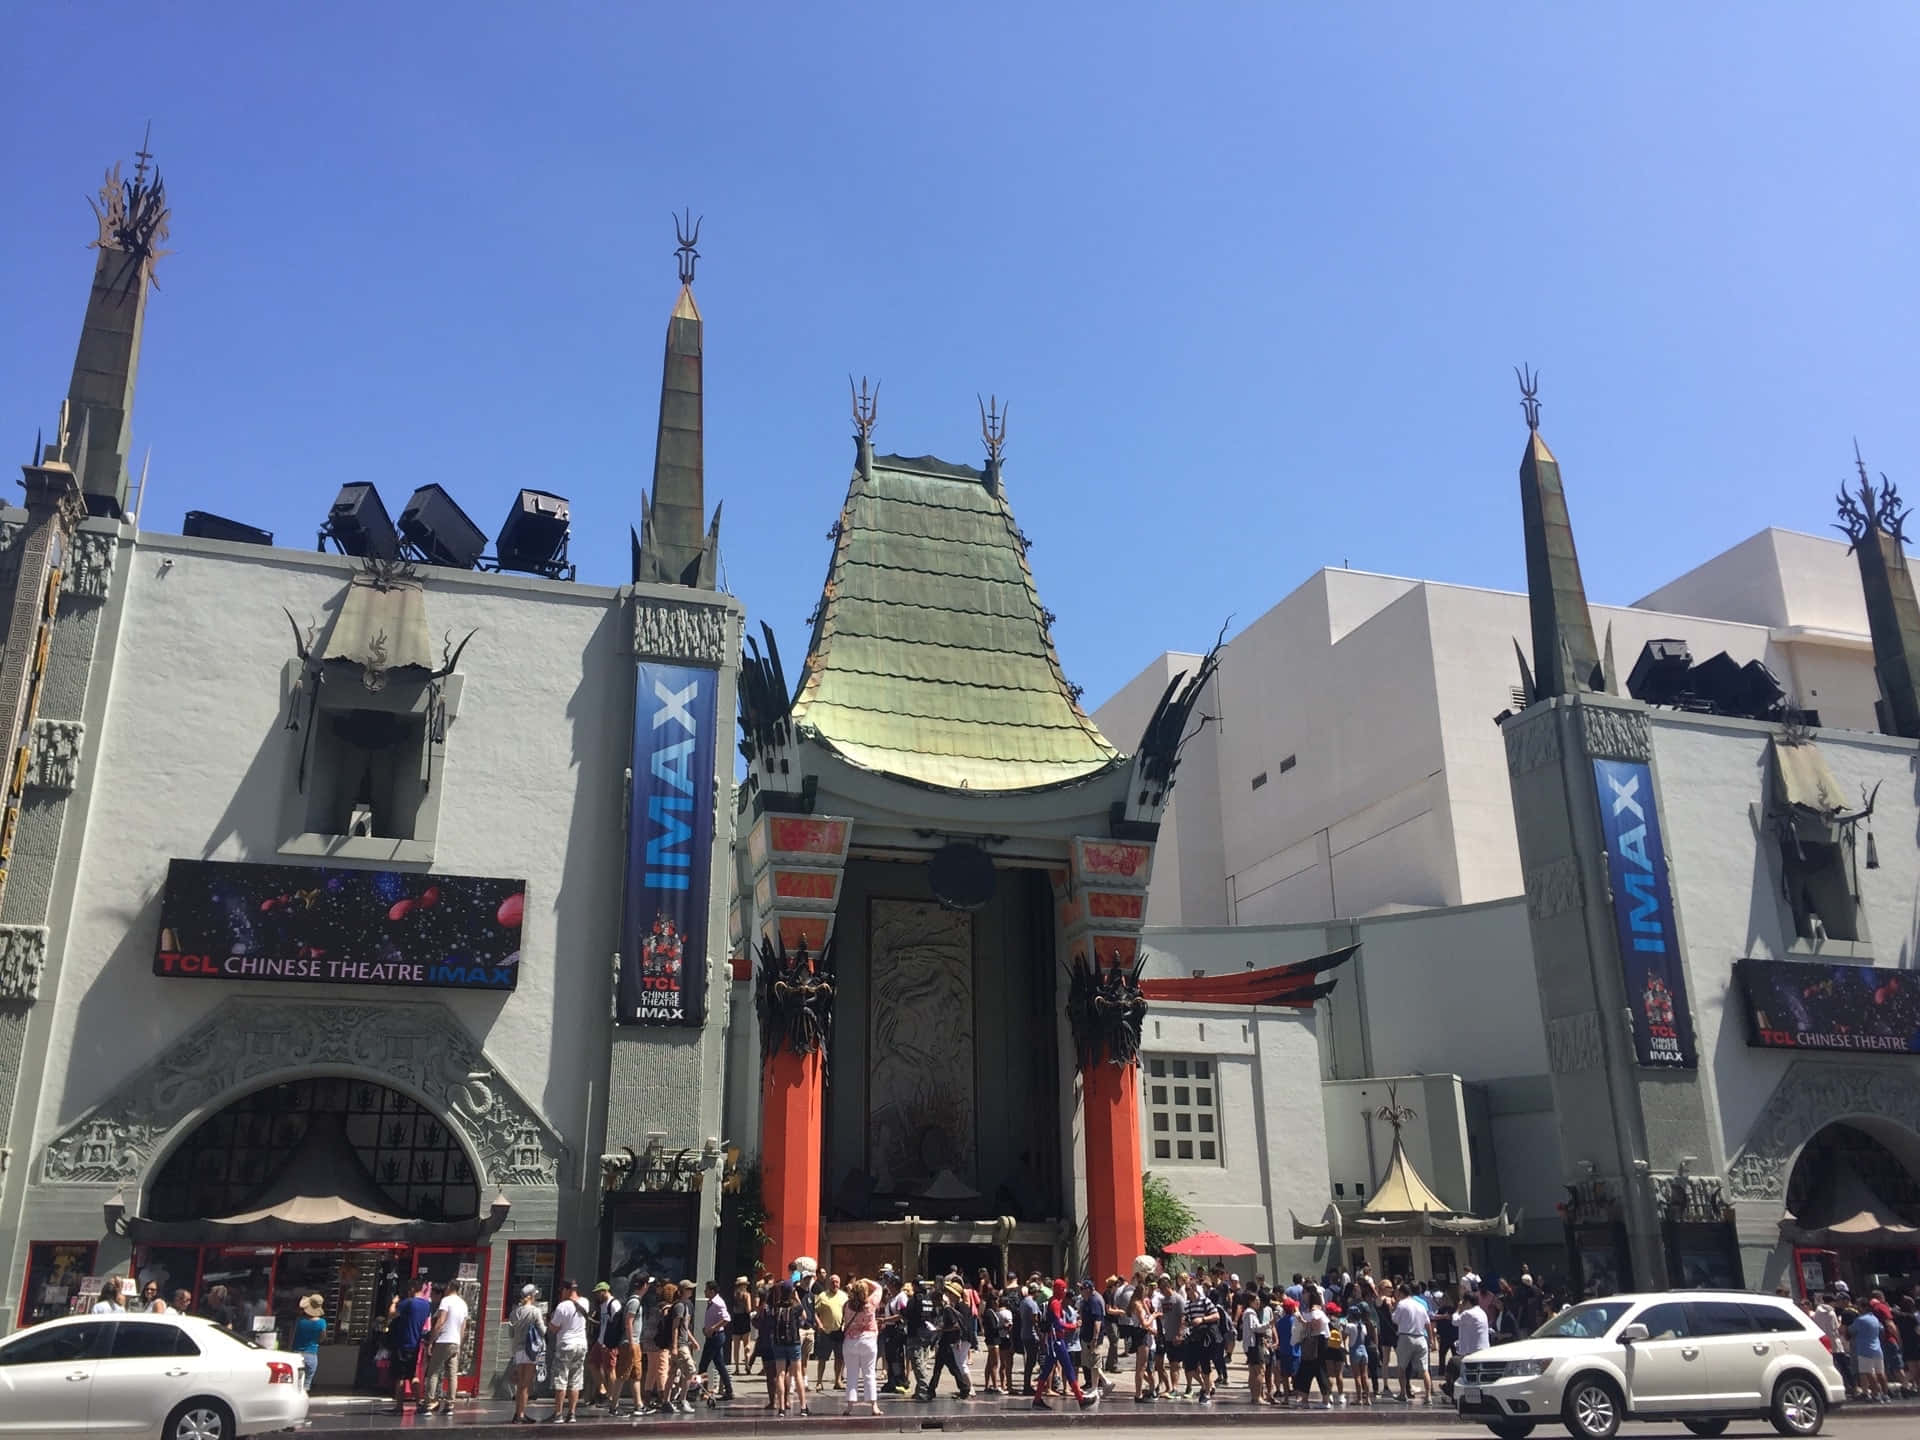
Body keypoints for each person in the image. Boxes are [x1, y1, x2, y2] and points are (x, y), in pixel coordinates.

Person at [1032, 1278, 1099, 1410]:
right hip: (1057, 1340)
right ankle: (1080, 1399)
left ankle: (1038, 1399)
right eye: (1063, 1289)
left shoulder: (1053, 1301)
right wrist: (1073, 1326)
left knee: (1047, 1370)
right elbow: (1058, 1324)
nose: (1064, 1292)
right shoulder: (1056, 1303)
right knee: (1068, 1368)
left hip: (1054, 1339)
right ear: (1059, 1290)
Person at [387, 1276, 433, 1414]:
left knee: (400, 1376)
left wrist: (394, 1302)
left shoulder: (408, 1303)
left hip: (403, 1343)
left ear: (413, 1289)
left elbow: (391, 1314)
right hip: (415, 1343)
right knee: (412, 1374)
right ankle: (419, 1403)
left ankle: (399, 1406)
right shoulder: (426, 1305)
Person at [546, 1278, 590, 1423]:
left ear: (566, 1290)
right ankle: (572, 1414)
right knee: (575, 1380)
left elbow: (554, 1328)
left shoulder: (562, 1306)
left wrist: (548, 1320)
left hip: (566, 1344)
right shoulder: (585, 1302)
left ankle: (558, 1414)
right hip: (581, 1344)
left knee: (561, 1379)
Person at [424, 1280, 469, 1414]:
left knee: (433, 1372)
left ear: (449, 1287)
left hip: (444, 1339)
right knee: (452, 1374)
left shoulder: (446, 1301)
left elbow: (440, 1321)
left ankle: (430, 1402)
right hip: (455, 1341)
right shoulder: (463, 1304)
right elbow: (463, 1327)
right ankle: (450, 1404)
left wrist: (431, 1341)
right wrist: (459, 1344)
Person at [841, 1277, 883, 1417]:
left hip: (850, 1341)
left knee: (852, 1374)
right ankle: (874, 1406)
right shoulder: (871, 1303)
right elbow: (879, 1288)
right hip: (868, 1340)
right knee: (869, 1373)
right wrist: (866, 1280)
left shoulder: (847, 1305)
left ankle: (850, 1406)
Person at [1391, 1282, 1434, 1405]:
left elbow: (1395, 1319)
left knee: (1401, 1367)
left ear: (1401, 1293)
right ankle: (1428, 1395)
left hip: (1406, 1337)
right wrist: (1431, 1339)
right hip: (1421, 1337)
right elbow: (1427, 1323)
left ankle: (1403, 1393)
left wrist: (1393, 1309)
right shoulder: (1420, 1305)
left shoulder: (1402, 1304)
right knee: (1424, 1369)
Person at [509, 1284, 545, 1426]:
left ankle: (518, 1412)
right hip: (531, 1350)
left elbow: (510, 1334)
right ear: (531, 1296)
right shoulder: (535, 1311)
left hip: (518, 1350)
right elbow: (542, 1331)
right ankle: (520, 1415)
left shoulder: (514, 1312)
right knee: (525, 1384)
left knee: (520, 1385)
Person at [698, 1280, 736, 1404]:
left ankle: (701, 1390)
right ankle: (729, 1390)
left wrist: (713, 1328)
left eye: (706, 1290)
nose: (704, 1292)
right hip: (712, 1335)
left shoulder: (718, 1303)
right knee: (719, 1364)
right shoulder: (711, 1303)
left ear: (712, 1291)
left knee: (703, 1364)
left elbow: (726, 1318)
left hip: (716, 1336)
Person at [813, 1273, 848, 1391]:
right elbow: (814, 1312)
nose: (835, 1284)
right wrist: (820, 1325)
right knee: (822, 1358)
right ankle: (819, 1382)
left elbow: (848, 1312)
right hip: (826, 1332)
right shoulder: (822, 1296)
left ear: (840, 1283)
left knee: (840, 1358)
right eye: (832, 1282)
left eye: (837, 1282)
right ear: (829, 1283)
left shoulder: (844, 1296)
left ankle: (838, 1381)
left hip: (840, 1331)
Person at [1850, 1303, 1888, 1403]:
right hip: (1877, 1348)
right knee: (1880, 1373)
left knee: (1869, 1373)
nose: (1857, 1308)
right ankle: (1886, 1395)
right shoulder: (1875, 1319)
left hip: (1864, 1349)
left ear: (1863, 1308)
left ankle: (1876, 1394)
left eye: (1859, 1306)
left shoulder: (1860, 1320)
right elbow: (1882, 1330)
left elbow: (1851, 1330)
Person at [292, 1294, 326, 1392]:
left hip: (297, 1353)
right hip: (312, 1355)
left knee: (295, 1382)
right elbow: (322, 1338)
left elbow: (292, 1336)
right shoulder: (322, 1322)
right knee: (307, 1383)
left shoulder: (300, 1321)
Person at [729, 1276, 754, 1375]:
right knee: (746, 1344)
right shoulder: (747, 1295)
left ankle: (736, 1368)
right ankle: (747, 1365)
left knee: (736, 1346)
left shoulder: (734, 1295)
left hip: (736, 1319)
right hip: (744, 1319)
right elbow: (748, 1309)